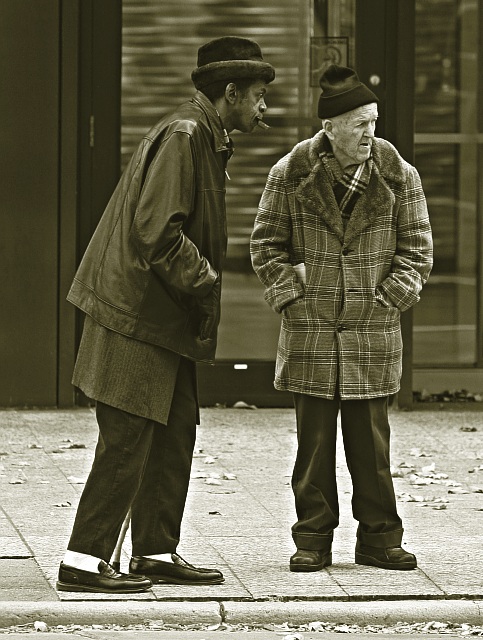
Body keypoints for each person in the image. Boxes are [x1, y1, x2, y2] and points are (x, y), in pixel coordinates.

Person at [56, 36, 275, 594]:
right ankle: (83, 560)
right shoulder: (186, 134)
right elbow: (156, 233)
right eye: (258, 97)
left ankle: (153, 550)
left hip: (158, 317)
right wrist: (207, 281)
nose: (264, 109)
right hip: (135, 316)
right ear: (231, 93)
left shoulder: (204, 132)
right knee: (128, 434)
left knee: (175, 432)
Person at [250, 65, 432, 573]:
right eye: (358, 124)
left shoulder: (399, 177)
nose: (370, 133)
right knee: (313, 448)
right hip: (310, 331)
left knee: (372, 449)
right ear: (330, 128)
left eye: (373, 121)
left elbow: (417, 252)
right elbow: (265, 246)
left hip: (372, 333)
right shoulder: (289, 174)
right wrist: (293, 295)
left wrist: (387, 298)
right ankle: (312, 539)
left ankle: (379, 539)